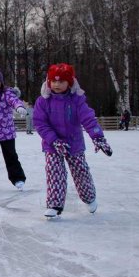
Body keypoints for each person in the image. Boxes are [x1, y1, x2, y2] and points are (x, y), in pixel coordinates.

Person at [33, 63, 112, 218]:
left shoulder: (77, 100)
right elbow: (40, 123)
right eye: (53, 81)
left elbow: (88, 119)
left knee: (81, 172)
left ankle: (89, 198)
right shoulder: (43, 101)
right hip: (52, 144)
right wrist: (53, 140)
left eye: (61, 81)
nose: (57, 84)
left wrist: (98, 137)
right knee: (54, 172)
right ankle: (55, 205)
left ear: (69, 82)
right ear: (48, 81)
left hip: (74, 144)